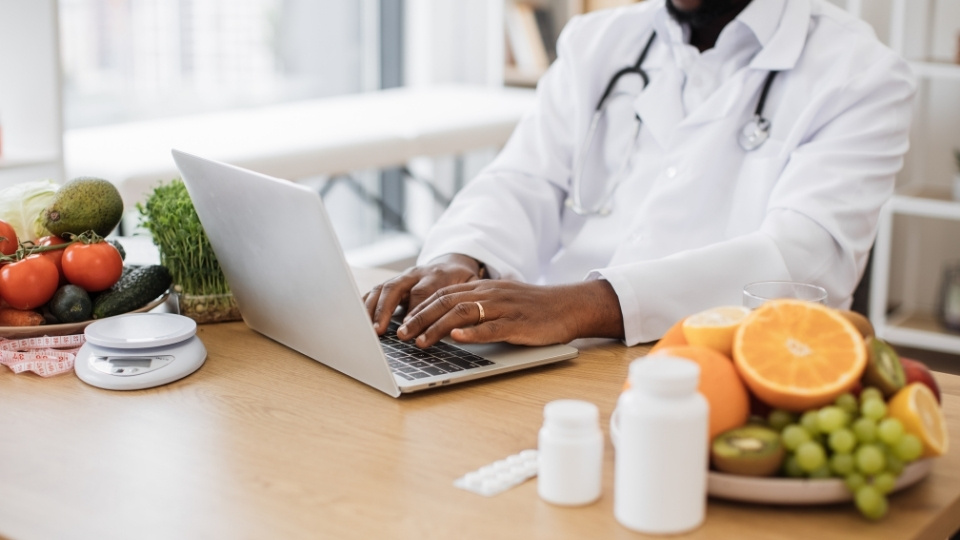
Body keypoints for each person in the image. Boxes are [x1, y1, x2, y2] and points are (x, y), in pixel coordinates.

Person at [364, 0, 915, 349]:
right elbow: (524, 179)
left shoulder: (861, 76)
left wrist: (578, 306)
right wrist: (462, 258)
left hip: (728, 369)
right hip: (557, 359)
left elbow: (801, 261)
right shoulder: (597, 44)